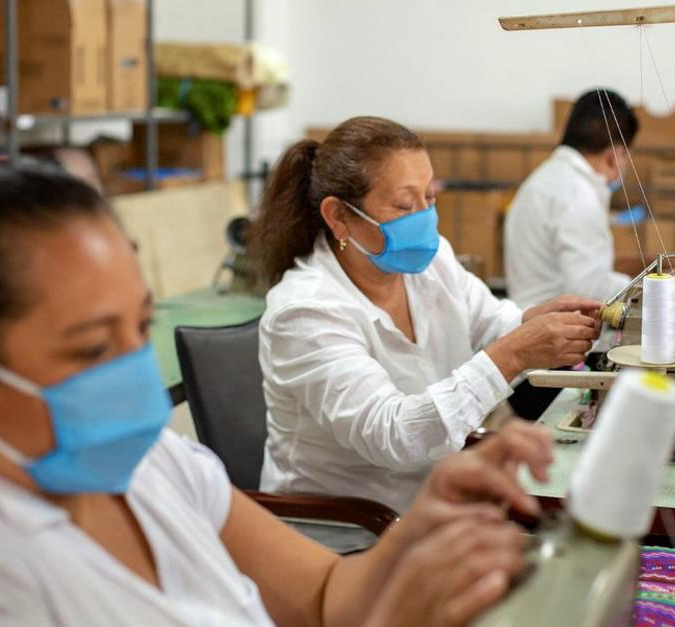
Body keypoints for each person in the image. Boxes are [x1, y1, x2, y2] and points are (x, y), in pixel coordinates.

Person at [0, 161, 556, 626]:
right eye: (92, 349)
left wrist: (420, 531)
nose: (134, 368)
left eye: (141, 327)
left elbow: (324, 595)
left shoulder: (157, 464)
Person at [250, 116, 601, 513]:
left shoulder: (431, 264)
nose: (425, 218)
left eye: (429, 197)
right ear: (338, 217)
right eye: (405, 205)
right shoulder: (304, 312)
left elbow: (490, 321)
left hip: (430, 506)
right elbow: (394, 435)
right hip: (346, 528)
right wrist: (514, 353)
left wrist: (532, 323)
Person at [504, 89, 640, 308]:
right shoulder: (578, 193)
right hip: (553, 321)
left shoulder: (546, 177)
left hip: (532, 314)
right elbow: (588, 287)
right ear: (614, 157)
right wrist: (652, 285)